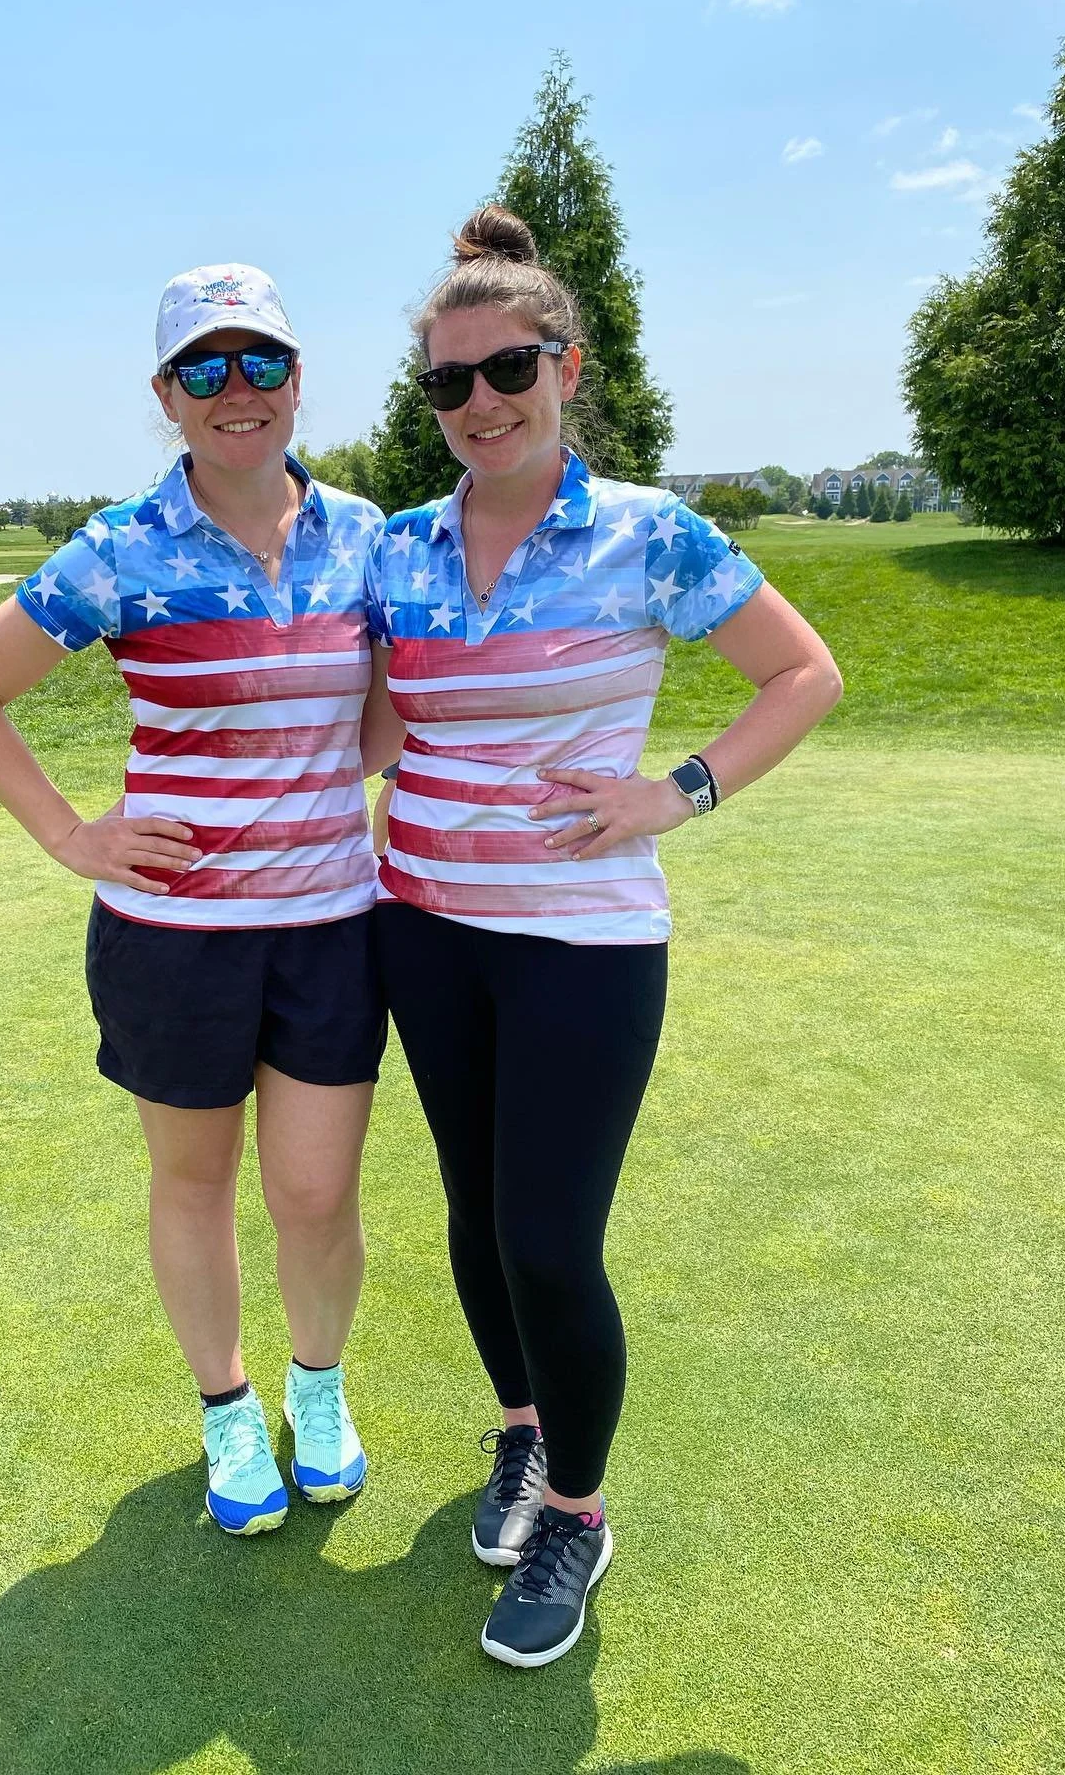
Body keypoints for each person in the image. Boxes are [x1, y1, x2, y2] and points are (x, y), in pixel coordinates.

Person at [361, 207, 842, 1667]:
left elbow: (800, 675)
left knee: (548, 1238)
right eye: (448, 384)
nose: (479, 404)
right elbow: (379, 724)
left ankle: (576, 1507)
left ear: (567, 365)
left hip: (583, 942)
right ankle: (520, 1434)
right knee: (468, 1211)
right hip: (425, 929)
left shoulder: (649, 532)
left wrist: (672, 790)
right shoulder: (398, 546)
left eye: (506, 369)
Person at [0, 263, 386, 1538]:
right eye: (205, 369)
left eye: (260, 365)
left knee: (315, 1193)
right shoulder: (118, 548)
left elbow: (392, 708)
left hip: (329, 929)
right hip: (173, 937)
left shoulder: (371, 536)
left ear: (297, 381)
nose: (235, 391)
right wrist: (74, 835)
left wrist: (302, 774)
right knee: (195, 1182)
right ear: (167, 397)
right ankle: (228, 1407)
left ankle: (321, 1386)